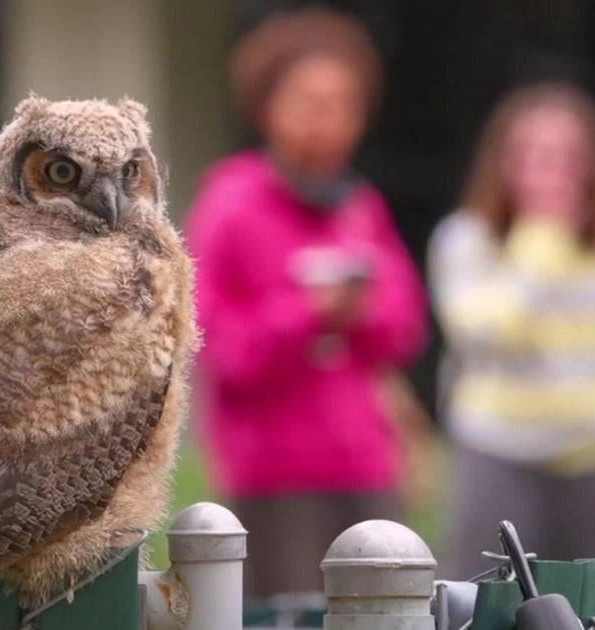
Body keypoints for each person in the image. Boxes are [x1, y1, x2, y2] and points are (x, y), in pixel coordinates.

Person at [185, 5, 430, 600]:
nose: (330, 124)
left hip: (364, 469)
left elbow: (405, 327)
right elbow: (216, 343)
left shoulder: (359, 205)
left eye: (345, 106)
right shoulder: (231, 202)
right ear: (266, 105)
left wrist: (361, 313)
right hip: (274, 480)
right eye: (311, 104)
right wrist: (308, 313)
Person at [429, 83, 595, 577]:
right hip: (497, 452)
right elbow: (481, 333)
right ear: (502, 162)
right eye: (533, 156)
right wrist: (541, 242)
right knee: (487, 602)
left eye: (567, 157)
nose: (551, 173)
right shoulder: (466, 240)